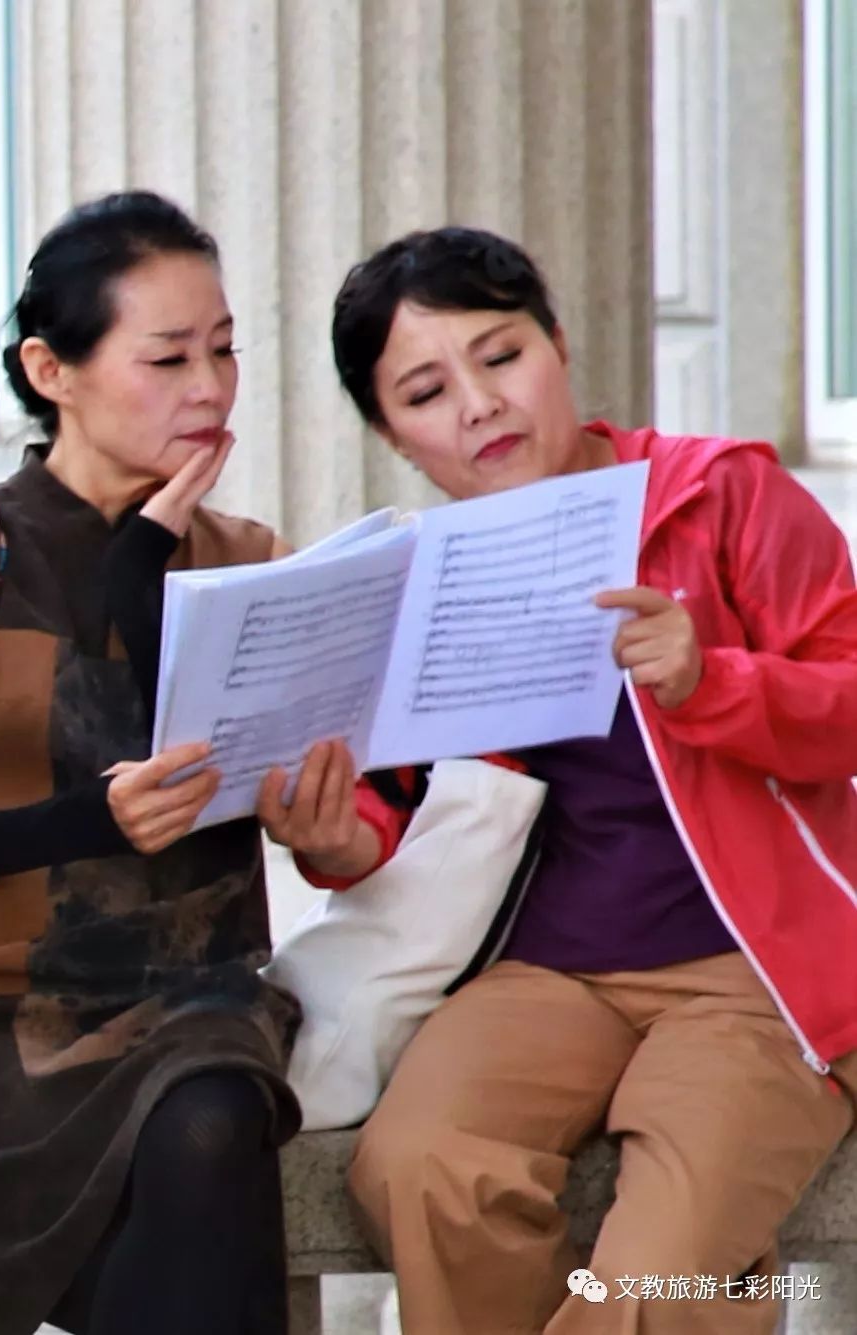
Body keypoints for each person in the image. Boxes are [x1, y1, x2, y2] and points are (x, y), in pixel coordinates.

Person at [284, 226, 857, 1334]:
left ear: (556, 343)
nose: (478, 405)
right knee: (418, 1166)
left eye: (500, 356)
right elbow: (386, 810)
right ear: (392, 434)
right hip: (545, 972)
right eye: (425, 393)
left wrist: (711, 680)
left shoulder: (719, 493)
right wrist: (330, 839)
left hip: (755, 978)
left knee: (658, 1280)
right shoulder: (429, 579)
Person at [0, 190, 349, 1335]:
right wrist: (90, 820)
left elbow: (320, 814)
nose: (209, 388)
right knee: (201, 1161)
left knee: (212, 1111)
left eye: (223, 351)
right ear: (50, 369)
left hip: (196, 997)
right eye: (166, 357)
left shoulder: (252, 560)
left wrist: (320, 829)